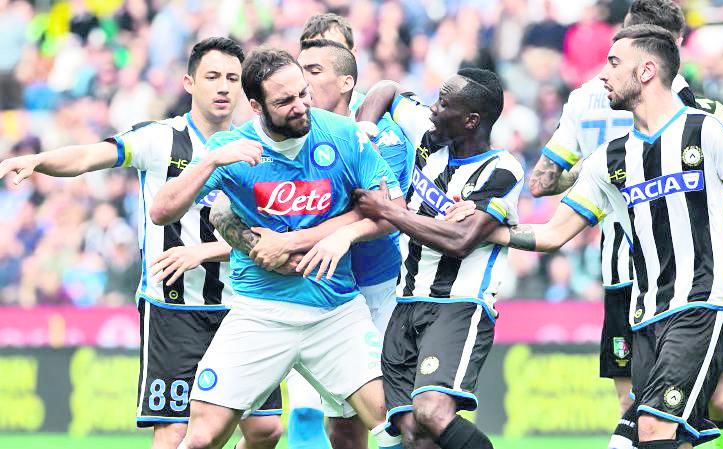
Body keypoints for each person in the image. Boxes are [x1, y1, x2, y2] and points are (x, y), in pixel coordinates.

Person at [449, 25, 723, 449]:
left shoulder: (704, 131)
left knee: (654, 429)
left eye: (614, 63)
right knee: (642, 440)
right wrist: (487, 227)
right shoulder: (609, 158)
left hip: (702, 305)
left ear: (647, 71)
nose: (603, 75)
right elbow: (553, 233)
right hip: (645, 316)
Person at [0, 38, 283, 449]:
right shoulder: (158, 139)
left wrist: (206, 251)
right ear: (189, 82)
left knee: (265, 430)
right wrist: (39, 161)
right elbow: (86, 157)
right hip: (173, 309)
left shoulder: (256, 148)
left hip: (241, 304)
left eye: (232, 79)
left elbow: (271, 235)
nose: (223, 87)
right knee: (173, 433)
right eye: (212, 77)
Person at [148, 46, 404, 449]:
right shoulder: (234, 149)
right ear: (256, 106)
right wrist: (210, 161)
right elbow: (161, 211)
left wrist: (310, 239)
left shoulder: (342, 134)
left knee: (394, 427)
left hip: (335, 311)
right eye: (285, 101)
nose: (302, 106)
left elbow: (391, 212)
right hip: (259, 312)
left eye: (304, 93)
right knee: (201, 437)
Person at [524, 1, 723, 448]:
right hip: (625, 279)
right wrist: (593, 171)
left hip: (698, 282)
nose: (607, 69)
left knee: (716, 402)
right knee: (639, 411)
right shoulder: (589, 100)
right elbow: (541, 184)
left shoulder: (703, 115)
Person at [319, 67, 523, 449]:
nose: (432, 107)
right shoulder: (428, 139)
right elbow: (387, 89)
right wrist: (364, 129)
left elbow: (461, 239)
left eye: (443, 104)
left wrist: (389, 211)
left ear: (470, 120)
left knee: (433, 412)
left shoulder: (502, 169)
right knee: (413, 432)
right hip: (406, 304)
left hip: (457, 304)